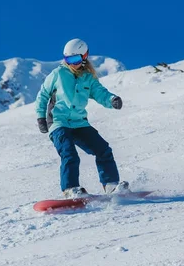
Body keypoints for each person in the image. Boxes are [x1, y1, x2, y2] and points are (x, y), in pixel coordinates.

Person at [35, 38, 129, 198]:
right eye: (68, 59)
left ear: (84, 56)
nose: (72, 63)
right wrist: (41, 118)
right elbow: (43, 95)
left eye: (76, 59)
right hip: (59, 122)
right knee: (69, 154)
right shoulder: (58, 74)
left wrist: (112, 99)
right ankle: (70, 189)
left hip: (79, 123)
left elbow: (100, 92)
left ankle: (111, 185)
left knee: (103, 149)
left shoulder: (88, 78)